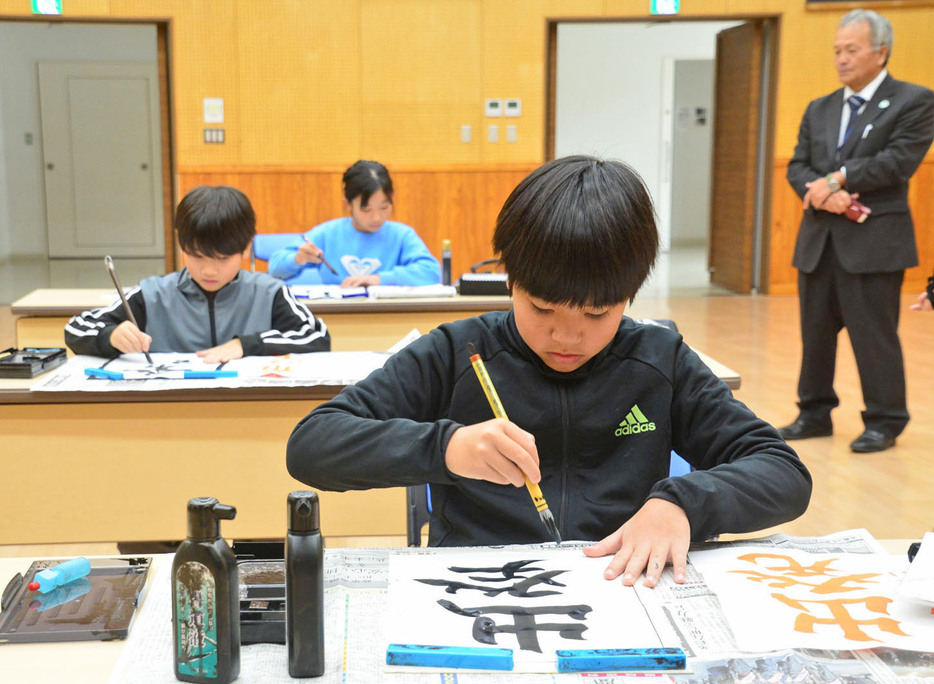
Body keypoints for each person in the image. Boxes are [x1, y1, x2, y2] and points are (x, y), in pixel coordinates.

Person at [286, 156, 811, 588]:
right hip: (479, 589)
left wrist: (683, 503)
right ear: (509, 281)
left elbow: (783, 473)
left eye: (597, 315)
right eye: (541, 308)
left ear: (629, 295)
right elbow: (312, 445)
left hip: (620, 585)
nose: (566, 337)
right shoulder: (458, 351)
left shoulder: (658, 358)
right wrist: (446, 449)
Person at [779, 9, 934, 453]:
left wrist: (839, 180)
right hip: (819, 240)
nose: (842, 59)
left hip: (874, 244)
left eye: (852, 50)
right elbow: (797, 167)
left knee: (874, 336)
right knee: (815, 334)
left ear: (880, 52)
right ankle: (814, 412)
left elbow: (898, 161)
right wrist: (825, 192)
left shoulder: (914, 100)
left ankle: (885, 420)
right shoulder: (820, 107)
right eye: (837, 51)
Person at [65, 185, 330, 361]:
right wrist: (110, 336)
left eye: (222, 258)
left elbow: (317, 337)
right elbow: (76, 327)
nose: (209, 270)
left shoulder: (269, 292)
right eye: (196, 256)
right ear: (181, 247)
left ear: (246, 249)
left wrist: (245, 346)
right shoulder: (152, 294)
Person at [267, 160, 441, 287]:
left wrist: (379, 279)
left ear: (393, 198)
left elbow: (431, 272)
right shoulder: (327, 233)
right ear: (347, 204)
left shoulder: (402, 235)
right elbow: (275, 269)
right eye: (366, 209)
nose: (377, 218)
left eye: (384, 207)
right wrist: (297, 259)